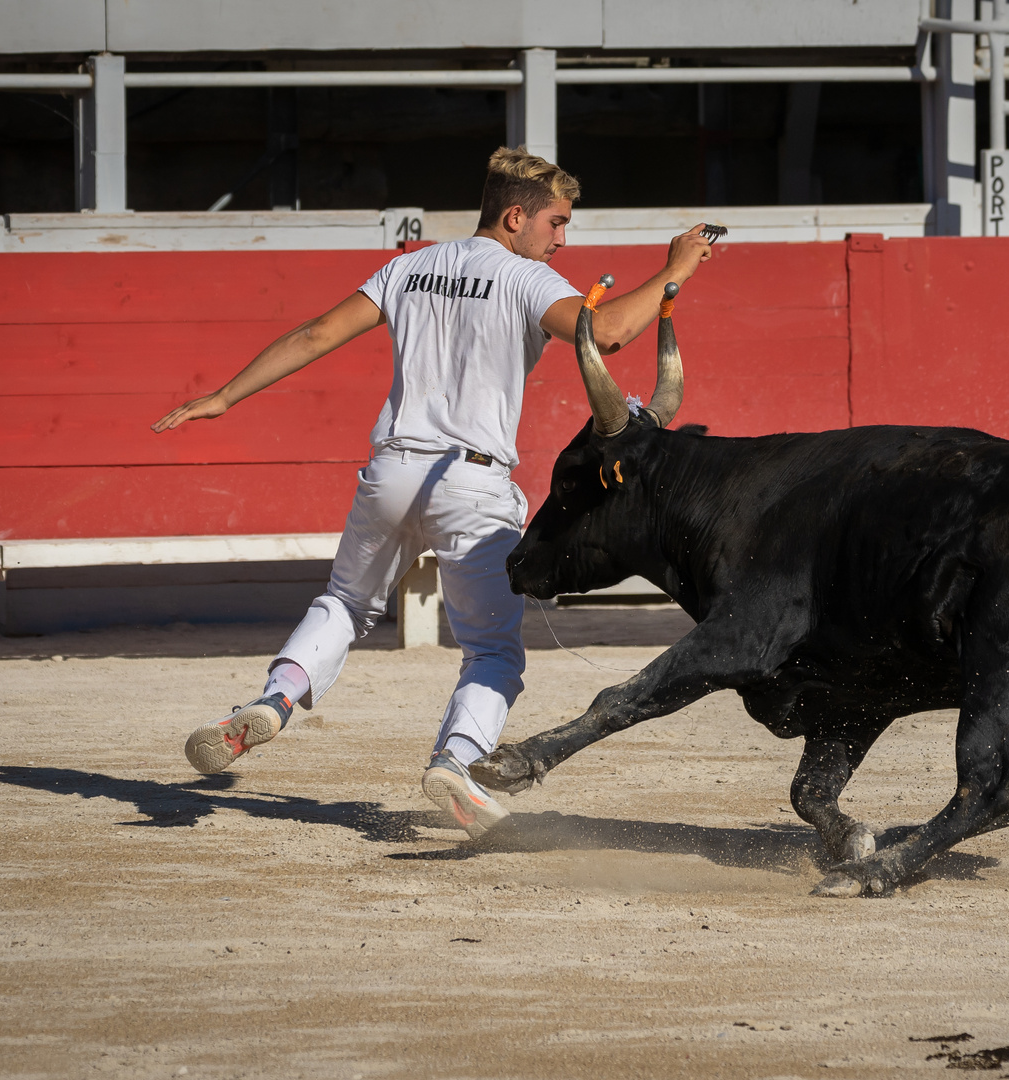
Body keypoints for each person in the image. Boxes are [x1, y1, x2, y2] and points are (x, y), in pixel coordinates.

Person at [151, 146, 713, 837]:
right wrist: (677, 268)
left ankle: (276, 698)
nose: (563, 240)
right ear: (517, 216)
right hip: (471, 483)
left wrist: (224, 396)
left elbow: (317, 332)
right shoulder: (525, 281)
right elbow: (615, 334)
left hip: (392, 468)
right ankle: (455, 760)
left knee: (344, 601)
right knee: (493, 651)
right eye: (557, 224)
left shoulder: (407, 267)